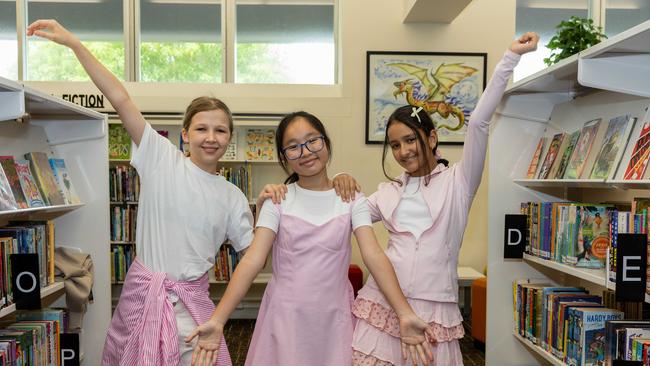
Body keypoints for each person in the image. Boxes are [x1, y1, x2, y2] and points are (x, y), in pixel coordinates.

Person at [27, 19, 253, 365]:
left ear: (229, 138)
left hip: (195, 309)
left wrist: (221, 315)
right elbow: (120, 96)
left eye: (221, 130)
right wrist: (74, 43)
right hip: (142, 300)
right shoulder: (161, 158)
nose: (212, 137)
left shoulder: (233, 197)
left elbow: (252, 257)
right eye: (202, 128)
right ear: (185, 135)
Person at [332, 32, 540, 365]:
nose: (403, 151)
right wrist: (337, 178)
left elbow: (480, 123)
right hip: (384, 302)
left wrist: (509, 59)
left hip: (435, 307)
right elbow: (338, 215)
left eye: (409, 140)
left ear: (431, 137)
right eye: (395, 145)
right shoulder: (387, 193)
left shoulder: (459, 182)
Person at [185, 111, 435, 366]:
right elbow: (252, 261)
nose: (305, 152)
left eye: (312, 141)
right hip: (285, 318)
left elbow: (373, 254)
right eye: (293, 147)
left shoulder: (351, 199)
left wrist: (404, 313)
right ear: (284, 157)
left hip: (334, 319)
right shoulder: (278, 200)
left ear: (325, 142)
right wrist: (217, 320)